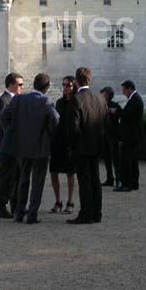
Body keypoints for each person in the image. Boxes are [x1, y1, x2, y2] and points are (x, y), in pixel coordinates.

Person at [0, 73, 58, 224]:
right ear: (46, 88)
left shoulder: (19, 99)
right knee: (37, 182)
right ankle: (32, 214)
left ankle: (19, 213)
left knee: (23, 180)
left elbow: (3, 116)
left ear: (34, 84)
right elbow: (55, 119)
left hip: (22, 146)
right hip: (40, 148)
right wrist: (49, 134)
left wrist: (13, 132)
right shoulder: (46, 101)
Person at [65, 67, 106, 225]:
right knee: (95, 179)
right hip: (96, 144)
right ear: (90, 79)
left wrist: (71, 145)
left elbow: (73, 127)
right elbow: (104, 122)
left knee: (85, 181)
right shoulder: (100, 98)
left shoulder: (76, 99)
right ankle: (97, 212)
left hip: (81, 147)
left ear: (76, 81)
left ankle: (86, 213)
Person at [0, 72, 23, 218]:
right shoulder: (2, 101)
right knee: (6, 176)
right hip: (7, 145)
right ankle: (1, 206)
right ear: (11, 85)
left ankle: (15, 205)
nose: (22, 87)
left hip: (17, 145)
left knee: (17, 175)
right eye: (19, 84)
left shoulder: (17, 100)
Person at [49, 76, 76, 214]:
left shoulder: (76, 102)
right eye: (64, 85)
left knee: (70, 173)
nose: (65, 88)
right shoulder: (59, 102)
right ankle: (58, 201)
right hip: (57, 141)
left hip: (69, 142)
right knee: (53, 172)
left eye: (68, 85)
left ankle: (70, 201)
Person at [115, 80, 144, 192]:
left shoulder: (135, 100)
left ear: (129, 88)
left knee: (126, 160)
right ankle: (134, 183)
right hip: (133, 135)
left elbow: (126, 114)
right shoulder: (135, 99)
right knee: (132, 160)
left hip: (131, 135)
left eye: (124, 90)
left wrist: (117, 111)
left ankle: (127, 184)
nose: (123, 93)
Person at [100, 86, 122, 188]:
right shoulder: (101, 105)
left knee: (115, 158)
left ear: (108, 95)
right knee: (107, 158)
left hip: (113, 135)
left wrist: (114, 111)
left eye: (103, 94)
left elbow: (120, 115)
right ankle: (110, 178)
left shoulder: (115, 106)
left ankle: (118, 179)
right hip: (104, 134)